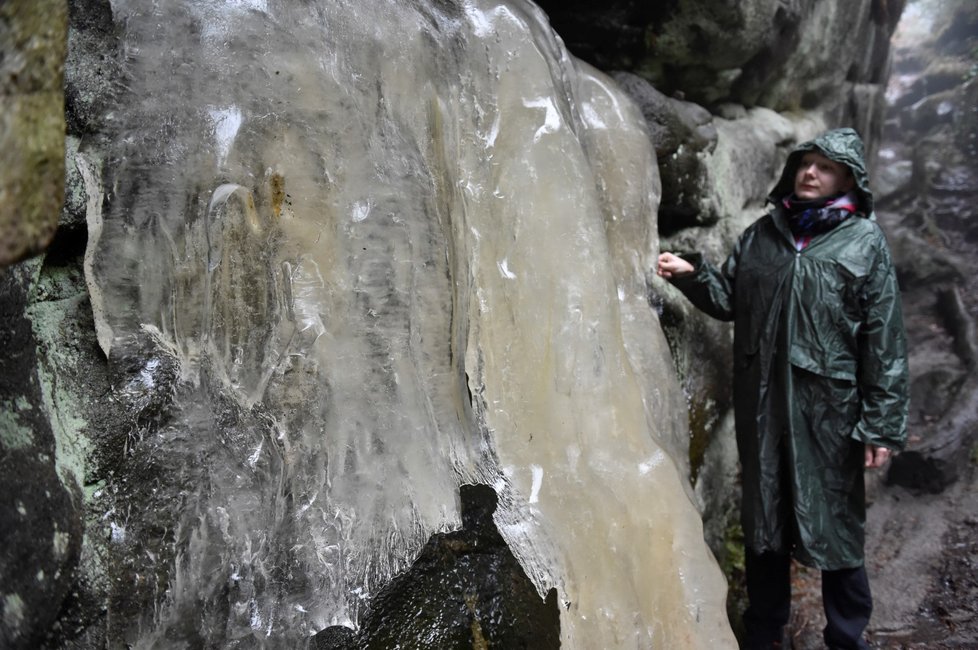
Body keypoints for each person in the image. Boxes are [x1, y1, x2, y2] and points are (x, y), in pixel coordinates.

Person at [657, 128, 909, 650]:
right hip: (765, 406)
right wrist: (690, 273)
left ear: (848, 179)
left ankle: (845, 636)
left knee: (836, 520)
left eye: (826, 167)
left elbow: (884, 337)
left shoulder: (865, 241)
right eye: (805, 163)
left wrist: (881, 423)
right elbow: (729, 297)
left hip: (830, 413)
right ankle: (765, 632)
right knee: (764, 518)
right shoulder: (761, 236)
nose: (810, 172)